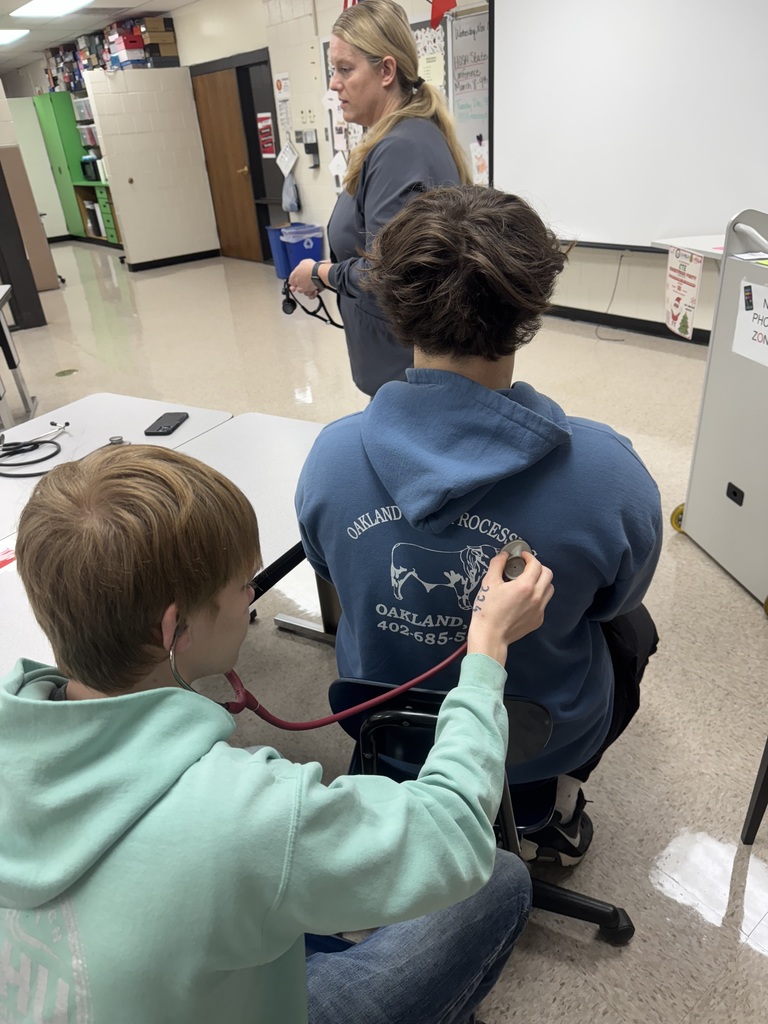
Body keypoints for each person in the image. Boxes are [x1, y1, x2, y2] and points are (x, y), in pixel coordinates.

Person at [0, 443, 554, 1024]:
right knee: (499, 880)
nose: (252, 597)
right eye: (244, 585)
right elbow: (454, 833)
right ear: (174, 628)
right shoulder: (245, 815)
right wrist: (489, 644)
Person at [296, 185, 662, 868]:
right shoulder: (612, 475)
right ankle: (544, 809)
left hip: (386, 725)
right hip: (537, 735)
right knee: (633, 633)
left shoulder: (330, 460)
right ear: (529, 309)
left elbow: (330, 570)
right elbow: (617, 600)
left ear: (395, 309)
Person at [288, 0, 470, 397]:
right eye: (333, 69)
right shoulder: (408, 136)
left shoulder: (400, 148)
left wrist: (320, 273)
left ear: (386, 70)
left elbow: (387, 272)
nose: (334, 83)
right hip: (406, 367)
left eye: (345, 69)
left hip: (406, 374)